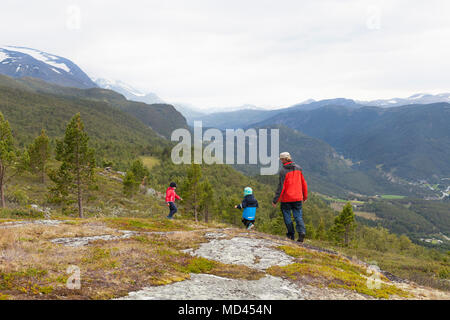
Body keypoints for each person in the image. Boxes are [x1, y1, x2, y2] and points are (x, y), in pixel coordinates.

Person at [272, 152, 308, 242]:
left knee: (287, 216)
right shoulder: (299, 168)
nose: (281, 161)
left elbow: (281, 187)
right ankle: (301, 232)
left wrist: (275, 200)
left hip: (286, 199)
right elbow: (304, 183)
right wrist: (305, 196)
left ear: (284, 159)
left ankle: (291, 235)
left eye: (281, 159)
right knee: (298, 216)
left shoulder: (283, 171)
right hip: (298, 197)